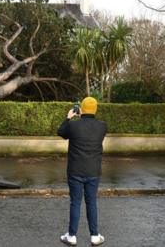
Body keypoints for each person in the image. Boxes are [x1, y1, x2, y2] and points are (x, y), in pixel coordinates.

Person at [57, 97, 107, 246]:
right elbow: (90, 130)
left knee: (75, 203)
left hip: (75, 171)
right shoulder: (102, 126)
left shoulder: (73, 125)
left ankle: (71, 236)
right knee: (91, 202)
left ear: (82, 109)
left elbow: (61, 132)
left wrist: (69, 117)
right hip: (93, 171)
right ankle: (94, 236)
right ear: (96, 109)